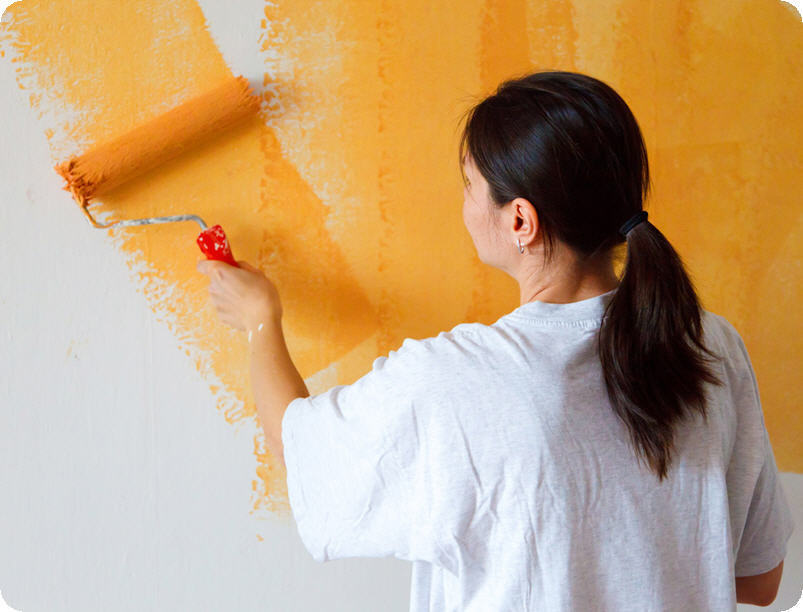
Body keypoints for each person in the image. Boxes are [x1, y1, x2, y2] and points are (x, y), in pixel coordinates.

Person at [197, 70, 795, 611]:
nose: (463, 205)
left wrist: (259, 320)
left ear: (520, 221)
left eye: (469, 184)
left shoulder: (455, 381)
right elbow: (760, 579)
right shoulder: (711, 346)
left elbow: (303, 452)